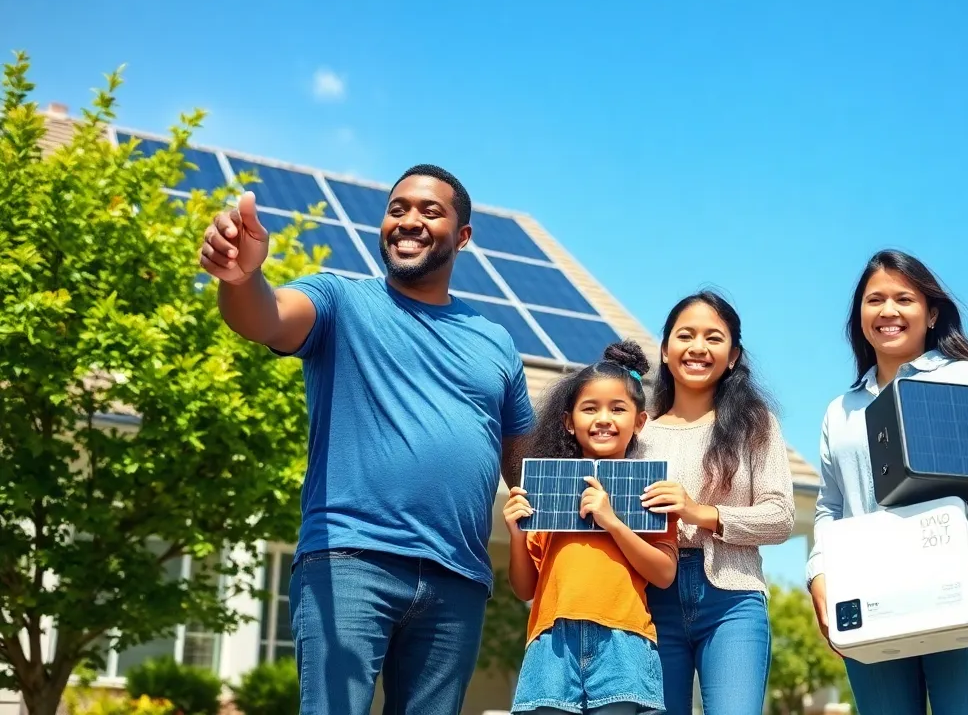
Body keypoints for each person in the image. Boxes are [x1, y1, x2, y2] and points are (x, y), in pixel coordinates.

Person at [199, 165, 535, 715]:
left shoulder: (496, 342)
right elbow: (267, 317)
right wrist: (241, 279)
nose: (409, 220)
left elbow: (528, 468)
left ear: (463, 236)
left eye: (430, 211)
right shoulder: (340, 301)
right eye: (397, 209)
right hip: (351, 561)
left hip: (458, 578)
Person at [806, 249, 968, 715]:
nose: (888, 311)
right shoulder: (839, 411)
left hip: (959, 592)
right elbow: (830, 506)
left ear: (931, 314)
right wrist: (819, 574)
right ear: (859, 316)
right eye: (874, 300)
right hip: (871, 596)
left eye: (904, 299)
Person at [633, 291, 795, 715]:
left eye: (714, 338)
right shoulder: (637, 432)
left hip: (733, 600)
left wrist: (698, 512)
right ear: (665, 350)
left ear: (733, 355)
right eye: (685, 335)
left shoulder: (756, 425)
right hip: (650, 599)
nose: (698, 348)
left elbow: (781, 517)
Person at [503, 340, 678, 715]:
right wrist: (517, 534)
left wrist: (612, 522)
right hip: (552, 642)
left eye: (618, 408)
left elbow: (664, 574)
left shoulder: (652, 493)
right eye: (589, 408)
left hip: (623, 641)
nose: (603, 418)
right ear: (569, 422)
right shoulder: (545, 494)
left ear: (639, 422)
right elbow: (524, 588)